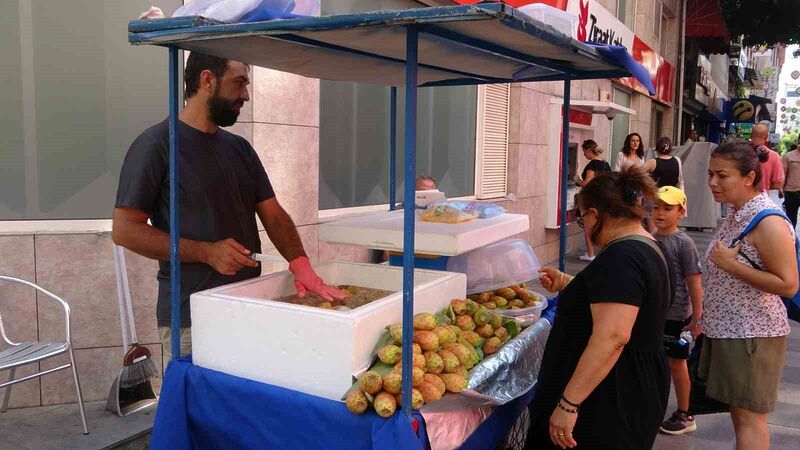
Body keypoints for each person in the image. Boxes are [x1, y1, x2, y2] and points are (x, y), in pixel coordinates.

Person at [113, 52, 345, 361]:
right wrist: (206, 252)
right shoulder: (156, 145)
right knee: (195, 408)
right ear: (207, 80)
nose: (246, 95)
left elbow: (273, 214)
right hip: (192, 316)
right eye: (239, 83)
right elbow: (124, 231)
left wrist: (300, 264)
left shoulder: (240, 149)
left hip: (247, 307)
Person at [524, 168, 671, 450]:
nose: (584, 226)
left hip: (610, 399)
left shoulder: (623, 257)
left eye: (582, 218)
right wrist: (570, 283)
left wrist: (568, 404)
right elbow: (621, 299)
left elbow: (612, 338)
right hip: (633, 387)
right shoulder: (647, 247)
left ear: (595, 213)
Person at [704, 139, 796, 450]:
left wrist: (731, 265)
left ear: (749, 178)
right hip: (732, 330)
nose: (713, 182)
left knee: (750, 420)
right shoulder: (738, 212)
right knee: (740, 414)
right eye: (710, 174)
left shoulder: (767, 220)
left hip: (752, 333)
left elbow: (788, 284)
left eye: (722, 175)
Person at [651, 186, 703, 435]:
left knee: (677, 363)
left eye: (667, 208)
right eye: (657, 206)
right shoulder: (649, 237)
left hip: (675, 317)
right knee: (653, 360)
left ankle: (686, 413)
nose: (660, 212)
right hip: (653, 314)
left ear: (681, 212)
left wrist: (697, 318)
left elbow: (694, 282)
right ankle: (651, 406)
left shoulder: (685, 244)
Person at [574, 139, 611, 262]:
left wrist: (577, 180)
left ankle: (590, 254)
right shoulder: (605, 163)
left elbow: (587, 183)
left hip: (591, 199)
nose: (584, 154)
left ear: (589, 150)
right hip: (603, 199)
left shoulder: (592, 165)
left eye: (584, 151)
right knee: (602, 227)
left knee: (588, 227)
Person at [750, 124, 784, 194]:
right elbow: (778, 184)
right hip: (761, 199)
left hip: (738, 199)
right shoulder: (774, 156)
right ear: (766, 137)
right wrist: (765, 185)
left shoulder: (740, 152)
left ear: (750, 135)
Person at [782, 143, 800, 226]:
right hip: (792, 192)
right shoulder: (788, 156)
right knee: (791, 220)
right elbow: (783, 174)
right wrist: (781, 189)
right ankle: (791, 238)